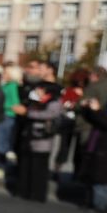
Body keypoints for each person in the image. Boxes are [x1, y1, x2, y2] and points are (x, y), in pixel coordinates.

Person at [16, 62, 62, 203]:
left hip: (43, 131)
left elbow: (53, 111)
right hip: (29, 130)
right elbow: (30, 101)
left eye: (41, 68)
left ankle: (37, 193)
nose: (38, 71)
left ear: (50, 70)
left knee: (40, 163)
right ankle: (25, 190)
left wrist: (28, 112)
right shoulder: (37, 86)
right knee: (27, 161)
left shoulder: (56, 89)